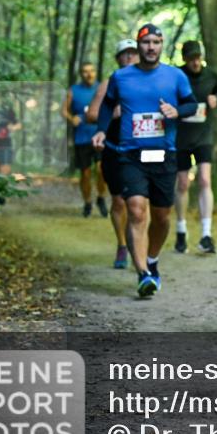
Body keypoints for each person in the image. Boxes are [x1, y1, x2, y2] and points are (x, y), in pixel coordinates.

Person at [93, 24, 198, 297]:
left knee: (162, 217)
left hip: (164, 154)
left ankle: (152, 260)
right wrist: (102, 130)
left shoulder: (175, 76)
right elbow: (106, 105)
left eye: (156, 42)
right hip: (130, 155)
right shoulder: (121, 77)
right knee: (137, 210)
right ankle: (142, 273)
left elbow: (192, 104)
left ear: (162, 45)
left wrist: (176, 110)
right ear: (138, 46)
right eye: (146, 42)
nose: (151, 47)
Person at [86, 40, 139, 269]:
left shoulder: (149, 81)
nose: (128, 58)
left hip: (141, 149)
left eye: (132, 54)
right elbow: (91, 114)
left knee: (139, 201)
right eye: (124, 54)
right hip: (115, 148)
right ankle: (122, 245)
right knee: (119, 202)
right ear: (117, 58)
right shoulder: (110, 83)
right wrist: (114, 113)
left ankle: (139, 244)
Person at [174, 40, 217, 254]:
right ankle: (181, 230)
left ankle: (206, 234)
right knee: (183, 183)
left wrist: (216, 98)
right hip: (181, 137)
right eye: (191, 58)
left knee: (204, 179)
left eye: (198, 57)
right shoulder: (176, 75)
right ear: (184, 58)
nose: (195, 62)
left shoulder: (211, 75)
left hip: (204, 134)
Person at [62, 62, 108, 217]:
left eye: (91, 71)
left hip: (101, 135)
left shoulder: (102, 88)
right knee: (86, 173)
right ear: (81, 74)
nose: (89, 74)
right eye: (85, 71)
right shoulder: (73, 91)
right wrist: (71, 118)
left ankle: (101, 197)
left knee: (102, 170)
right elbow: (64, 111)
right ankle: (87, 202)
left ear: (95, 72)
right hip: (82, 138)